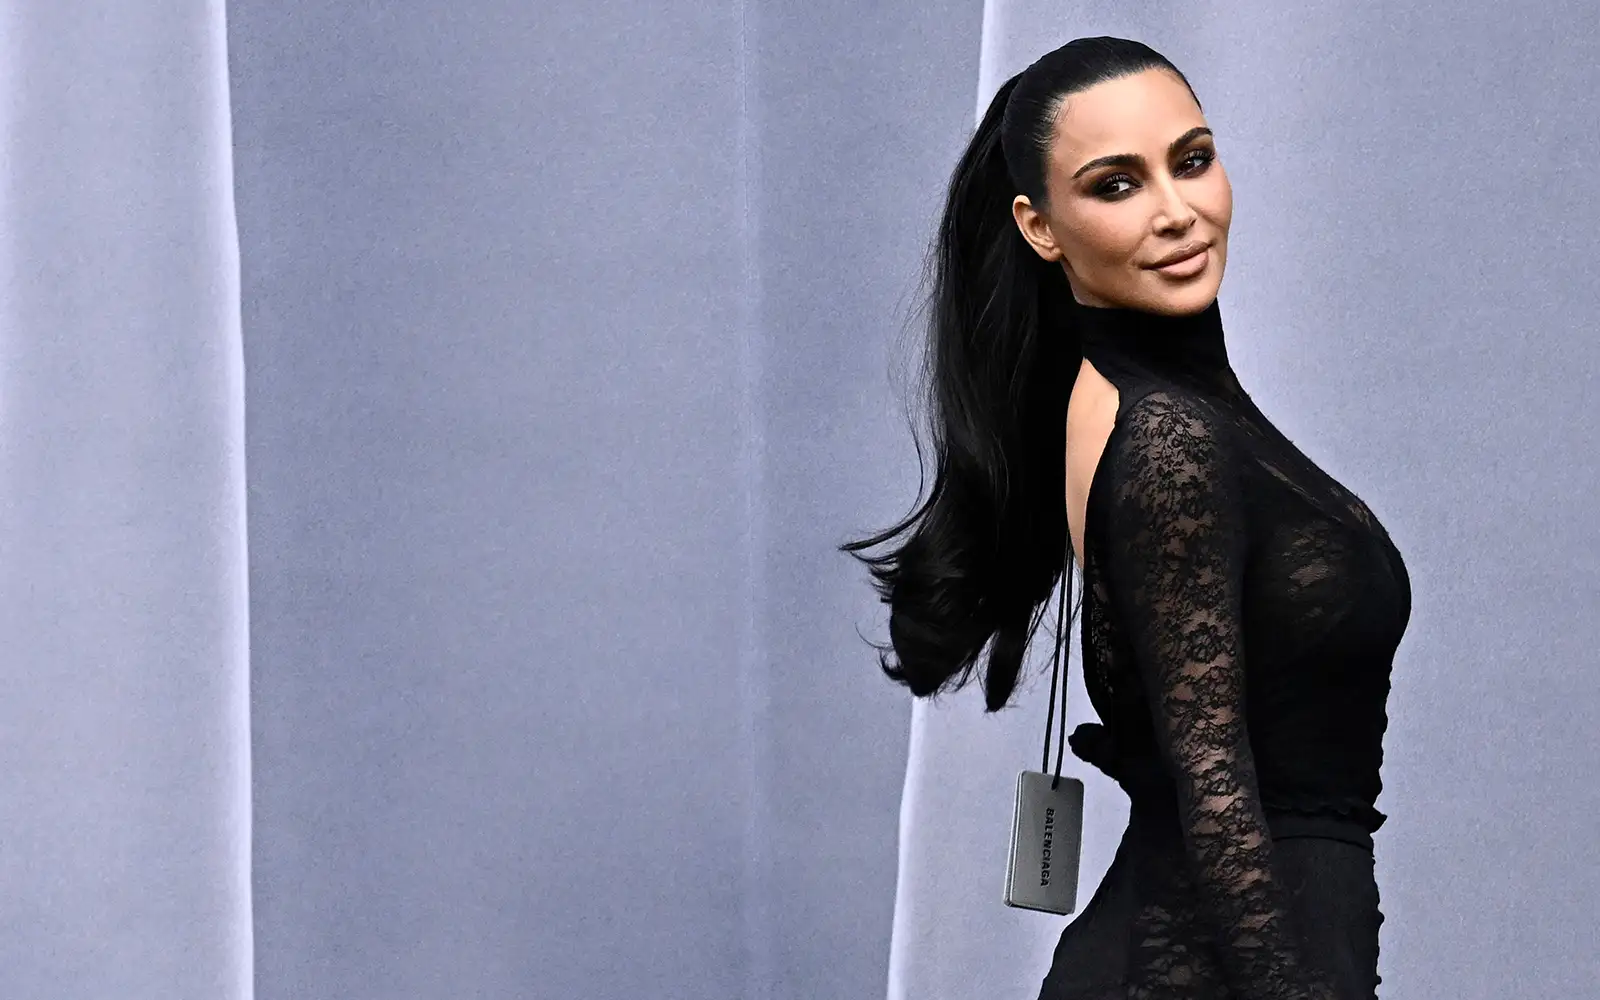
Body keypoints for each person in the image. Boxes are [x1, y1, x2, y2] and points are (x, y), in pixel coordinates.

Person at [840, 36, 1412, 999]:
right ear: (1040, 227)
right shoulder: (1164, 436)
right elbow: (1214, 794)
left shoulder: (1162, 405)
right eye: (1116, 185)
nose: (1177, 211)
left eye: (1192, 160)